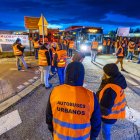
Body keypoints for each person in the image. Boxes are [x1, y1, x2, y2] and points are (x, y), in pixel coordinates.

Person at [46, 61, 101, 140]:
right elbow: (96, 122)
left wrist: (53, 132)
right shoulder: (91, 96)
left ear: (66, 74)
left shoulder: (55, 91)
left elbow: (49, 117)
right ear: (82, 76)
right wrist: (92, 137)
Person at [96, 63, 127, 140]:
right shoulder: (117, 80)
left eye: (104, 72)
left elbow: (105, 109)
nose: (103, 73)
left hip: (109, 116)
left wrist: (95, 112)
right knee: (106, 130)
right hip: (114, 113)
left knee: (105, 131)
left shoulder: (110, 89)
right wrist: (104, 80)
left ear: (108, 74)